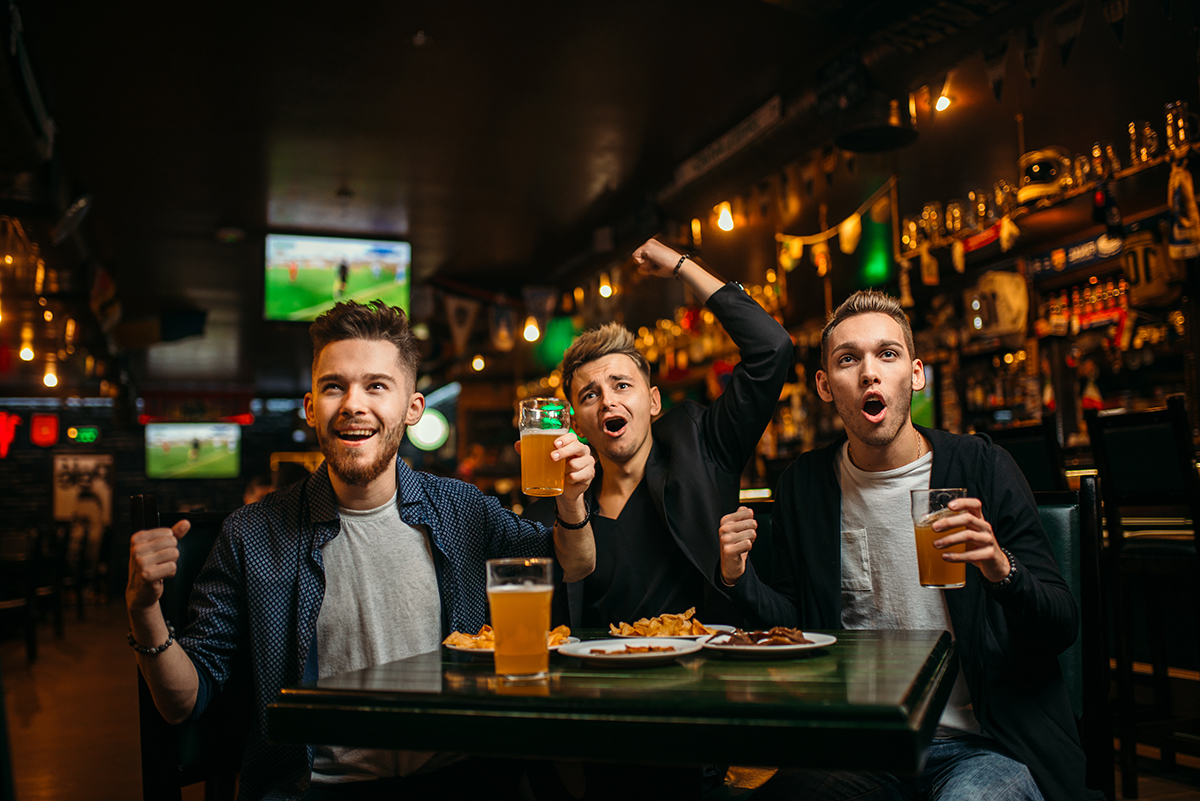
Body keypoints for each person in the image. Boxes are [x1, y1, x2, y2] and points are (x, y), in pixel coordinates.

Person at [126, 299, 596, 801]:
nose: (353, 403)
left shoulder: (461, 509)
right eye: (334, 386)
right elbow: (183, 701)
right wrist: (144, 611)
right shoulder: (253, 534)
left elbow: (574, 562)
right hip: (321, 790)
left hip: (462, 779)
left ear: (413, 408)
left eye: (376, 385)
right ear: (311, 408)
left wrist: (571, 501)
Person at [718, 290, 1099, 801]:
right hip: (867, 749)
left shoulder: (981, 467)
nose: (869, 372)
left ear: (915, 375)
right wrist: (737, 577)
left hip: (982, 747)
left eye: (887, 354)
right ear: (825, 386)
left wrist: (1000, 567)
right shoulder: (804, 486)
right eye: (848, 359)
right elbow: (793, 626)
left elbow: (1061, 624)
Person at [529, 236, 793, 630]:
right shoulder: (561, 504)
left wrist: (681, 267)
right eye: (590, 394)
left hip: (699, 675)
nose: (607, 402)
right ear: (576, 423)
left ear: (653, 401)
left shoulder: (702, 446)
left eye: (622, 385)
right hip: (598, 680)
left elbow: (772, 349)